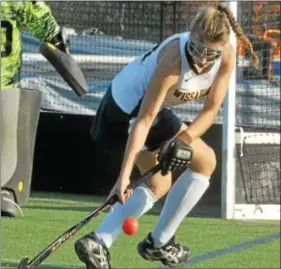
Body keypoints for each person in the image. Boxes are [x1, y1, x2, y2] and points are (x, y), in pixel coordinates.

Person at [75, 3, 259, 268]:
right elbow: (144, 119)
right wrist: (124, 178)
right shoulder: (173, 61)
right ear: (190, 35)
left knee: (204, 161)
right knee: (159, 183)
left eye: (212, 54)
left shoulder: (226, 57)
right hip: (124, 112)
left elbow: (209, 112)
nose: (204, 60)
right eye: (198, 49)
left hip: (153, 112)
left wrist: (181, 141)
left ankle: (146, 242)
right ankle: (109, 241)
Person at [1, 1, 68, 216]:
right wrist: (60, 45)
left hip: (6, 85)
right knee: (5, 143)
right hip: (5, 84)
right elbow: (45, 24)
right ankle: (3, 193)